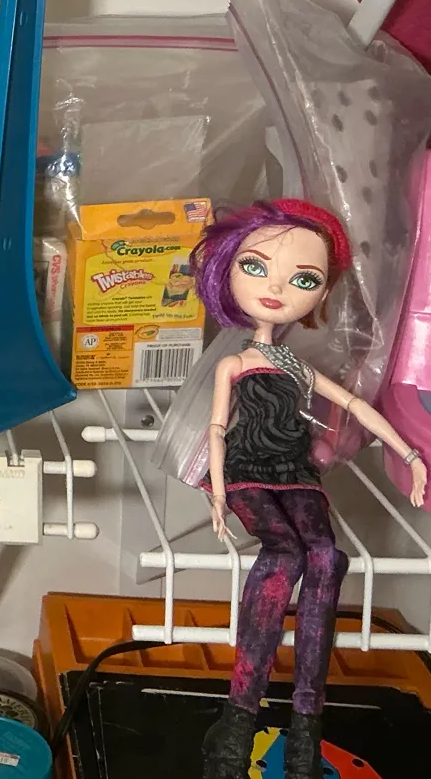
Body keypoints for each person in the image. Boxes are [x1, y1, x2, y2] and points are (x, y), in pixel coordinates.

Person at [193, 200, 427, 779]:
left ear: (321, 294)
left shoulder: (298, 367)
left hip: (296, 472)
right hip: (248, 470)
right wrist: (218, 491)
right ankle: (239, 720)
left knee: (327, 557)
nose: (276, 288)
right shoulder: (233, 364)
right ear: (226, 271)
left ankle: (306, 729)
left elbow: (355, 406)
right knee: (285, 555)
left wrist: (410, 453)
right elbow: (217, 429)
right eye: (255, 267)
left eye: (303, 279)